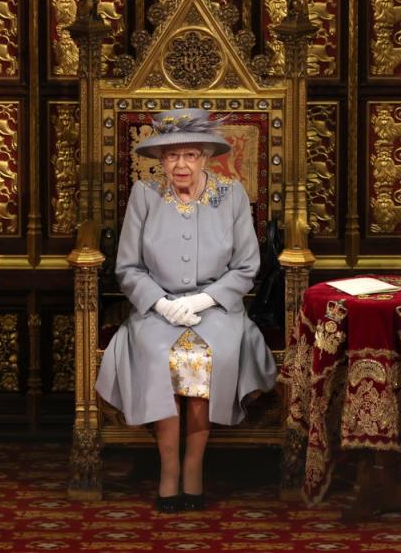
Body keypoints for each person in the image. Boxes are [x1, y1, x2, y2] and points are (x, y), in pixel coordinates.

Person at [95, 108, 277, 513]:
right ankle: (168, 471)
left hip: (217, 309)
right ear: (160, 160)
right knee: (162, 356)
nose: (181, 164)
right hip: (154, 309)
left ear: (206, 157)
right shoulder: (145, 196)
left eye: (190, 155)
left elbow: (247, 267)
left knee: (203, 358)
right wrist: (160, 303)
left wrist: (202, 300)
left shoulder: (231, 196)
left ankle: (193, 468)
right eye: (172, 155)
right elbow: (127, 267)